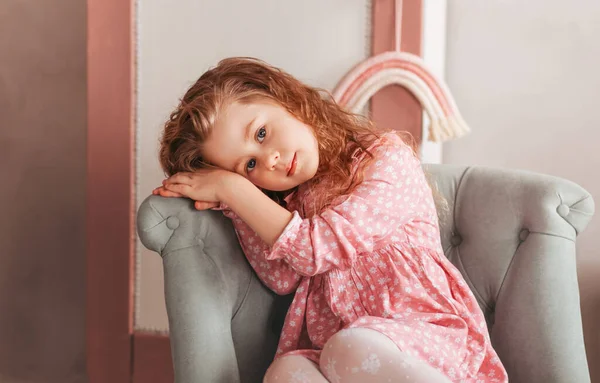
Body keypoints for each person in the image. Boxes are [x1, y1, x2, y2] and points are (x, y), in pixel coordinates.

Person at [152, 57, 508, 383]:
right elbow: (282, 276)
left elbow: (316, 249)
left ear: (287, 100)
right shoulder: (292, 204)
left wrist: (233, 189)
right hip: (342, 351)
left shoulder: (384, 158)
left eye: (261, 134)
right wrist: (232, 205)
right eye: (249, 166)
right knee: (285, 371)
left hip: (422, 336)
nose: (270, 159)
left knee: (347, 349)